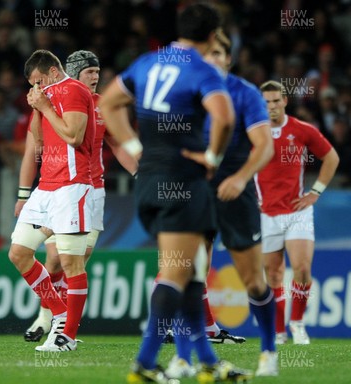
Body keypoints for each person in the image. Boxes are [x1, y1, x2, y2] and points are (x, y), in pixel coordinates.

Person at [100, 4, 251, 383]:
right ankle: (145, 363)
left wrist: (135, 149)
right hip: (183, 178)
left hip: (150, 178)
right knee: (176, 274)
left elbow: (108, 102)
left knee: (190, 273)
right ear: (213, 34)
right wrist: (213, 156)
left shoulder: (148, 62)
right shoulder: (202, 70)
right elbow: (225, 116)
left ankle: (207, 363)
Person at [166, 30, 278, 379]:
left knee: (252, 281)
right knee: (186, 274)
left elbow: (264, 146)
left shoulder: (245, 93)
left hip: (235, 191)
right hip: (196, 191)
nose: (212, 59)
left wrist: (242, 177)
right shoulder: (187, 92)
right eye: (207, 53)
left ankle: (269, 352)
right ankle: (183, 359)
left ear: (228, 58)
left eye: (218, 53)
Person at [19, 50, 137, 342]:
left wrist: (140, 173)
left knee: (74, 259)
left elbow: (118, 146)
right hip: (52, 188)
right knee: (53, 257)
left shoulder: (100, 106)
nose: (95, 78)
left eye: (97, 72)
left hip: (88, 189)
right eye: (89, 72)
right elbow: (33, 148)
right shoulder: (52, 97)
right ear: (70, 73)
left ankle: (62, 325)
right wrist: (24, 193)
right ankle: (49, 316)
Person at [8, 49, 95, 352]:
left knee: (71, 262)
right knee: (18, 252)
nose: (36, 88)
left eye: (39, 81)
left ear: (54, 72)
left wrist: (45, 106)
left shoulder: (73, 90)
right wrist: (37, 108)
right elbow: (38, 141)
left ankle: (67, 336)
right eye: (32, 84)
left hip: (71, 187)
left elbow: (73, 136)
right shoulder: (47, 96)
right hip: (45, 187)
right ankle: (58, 311)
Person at [257, 80, 339, 345]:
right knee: (273, 275)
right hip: (266, 213)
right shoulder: (253, 133)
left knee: (302, 268)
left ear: (285, 102)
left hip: (296, 210)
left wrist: (315, 192)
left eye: (275, 101)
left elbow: (331, 157)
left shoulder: (302, 130)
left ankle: (298, 323)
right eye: (266, 102)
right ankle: (279, 330)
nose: (271, 106)